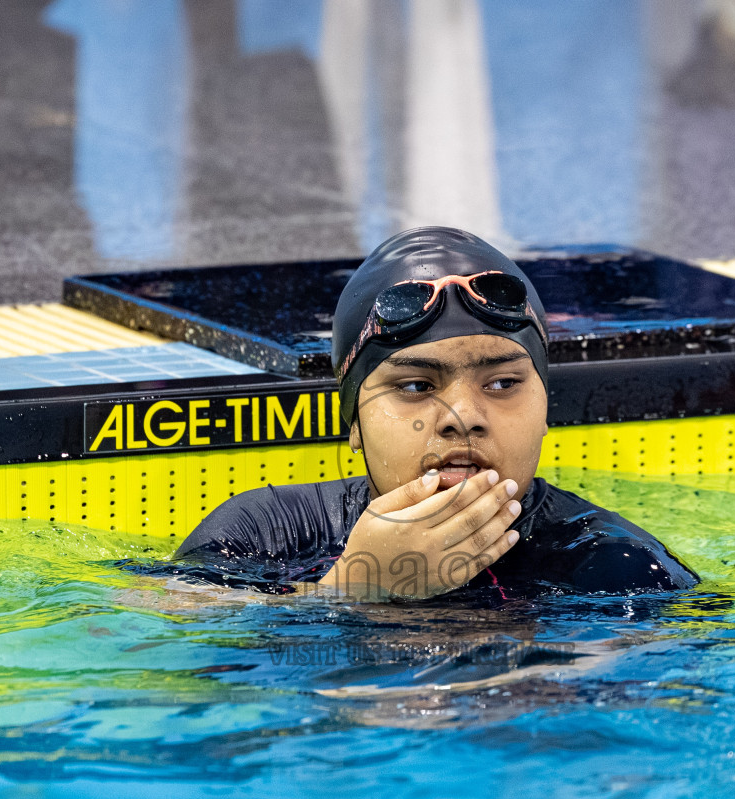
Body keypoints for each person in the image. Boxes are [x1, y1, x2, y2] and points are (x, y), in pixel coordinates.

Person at [166, 225, 699, 602]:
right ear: (352, 419)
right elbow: (145, 633)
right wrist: (355, 586)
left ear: (544, 407)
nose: (462, 415)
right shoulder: (265, 533)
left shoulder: (615, 568)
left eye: (502, 383)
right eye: (417, 385)